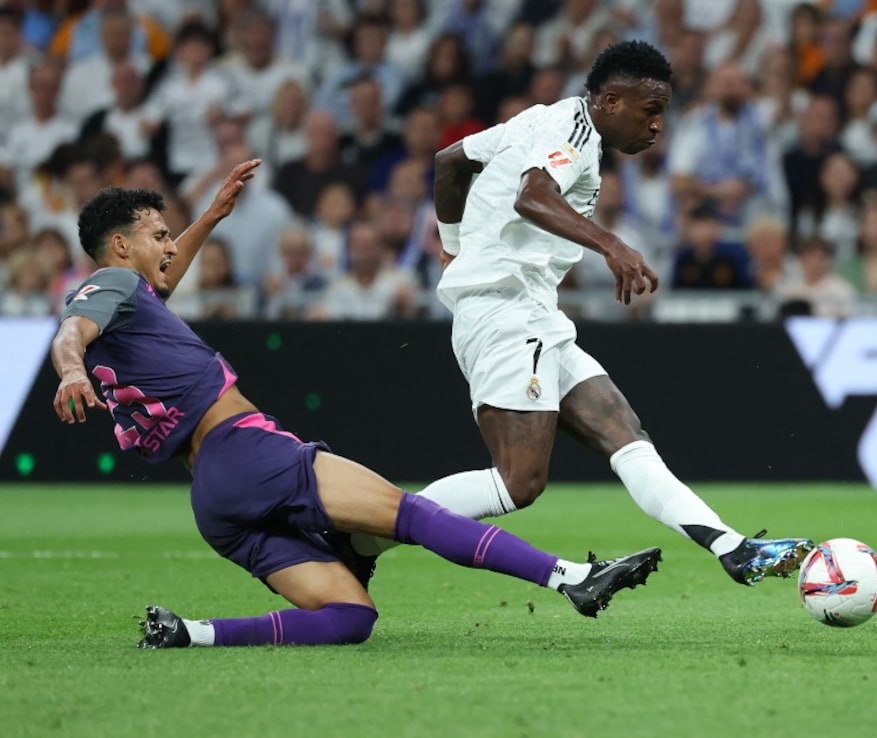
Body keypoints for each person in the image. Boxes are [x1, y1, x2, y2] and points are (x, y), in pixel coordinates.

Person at [50, 159, 663, 649]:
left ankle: (193, 634)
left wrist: (209, 216)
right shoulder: (112, 285)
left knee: (350, 616)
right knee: (411, 514)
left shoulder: (131, 302)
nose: (168, 246)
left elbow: (153, 282)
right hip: (247, 452)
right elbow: (71, 331)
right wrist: (71, 371)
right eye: (157, 235)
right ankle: (570, 578)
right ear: (121, 247)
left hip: (214, 498)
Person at [421, 40, 813, 587]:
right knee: (518, 484)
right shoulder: (573, 133)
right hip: (504, 312)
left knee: (626, 436)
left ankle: (732, 546)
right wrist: (612, 246)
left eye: (663, 114)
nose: (657, 127)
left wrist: (454, 246)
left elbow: (450, 164)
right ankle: (368, 525)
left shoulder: (542, 120)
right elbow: (531, 197)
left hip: (533, 313)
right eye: (649, 111)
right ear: (609, 101)